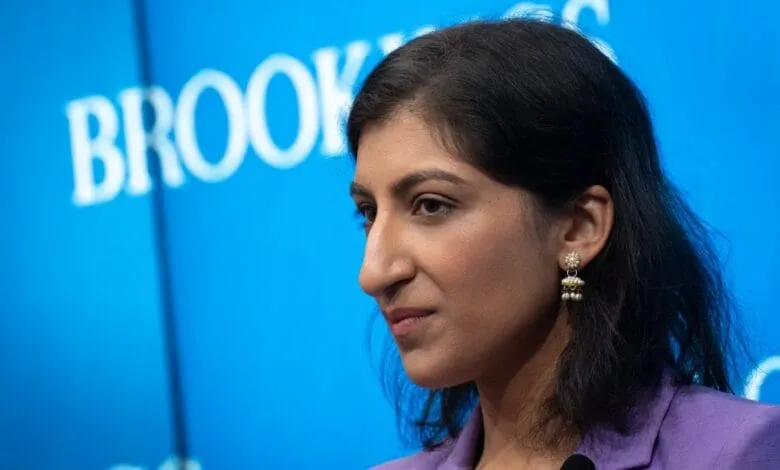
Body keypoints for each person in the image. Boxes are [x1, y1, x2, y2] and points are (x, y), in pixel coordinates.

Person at [346, 18, 780, 470]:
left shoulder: (741, 452)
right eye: (368, 212)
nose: (373, 274)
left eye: (431, 205)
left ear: (579, 227)